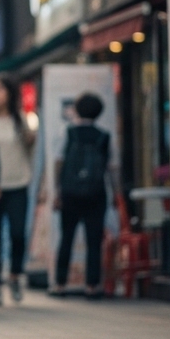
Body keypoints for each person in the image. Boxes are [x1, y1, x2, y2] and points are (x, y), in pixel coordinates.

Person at [0, 75, 37, 306]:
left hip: (18, 183)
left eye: (0, 89)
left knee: (18, 233)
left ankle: (14, 274)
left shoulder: (20, 120)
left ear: (10, 94)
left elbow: (30, 150)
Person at [51, 92, 112, 300]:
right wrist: (116, 192)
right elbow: (113, 167)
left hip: (70, 193)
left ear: (76, 110)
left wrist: (57, 191)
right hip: (96, 194)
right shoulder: (104, 136)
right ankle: (92, 286)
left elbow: (59, 161)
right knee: (94, 241)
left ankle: (60, 284)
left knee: (66, 238)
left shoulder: (68, 133)